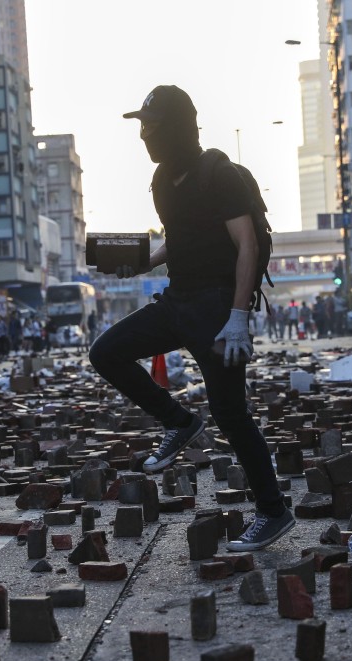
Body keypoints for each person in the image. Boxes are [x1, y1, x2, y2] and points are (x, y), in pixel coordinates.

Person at [90, 84, 293, 551]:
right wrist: (141, 262)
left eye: (152, 126)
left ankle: (273, 512)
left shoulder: (219, 174)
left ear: (178, 127)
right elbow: (177, 241)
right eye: (142, 127)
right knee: (106, 352)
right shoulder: (163, 180)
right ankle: (178, 421)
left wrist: (238, 315)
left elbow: (248, 245)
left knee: (231, 415)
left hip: (218, 309)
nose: (145, 136)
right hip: (178, 301)